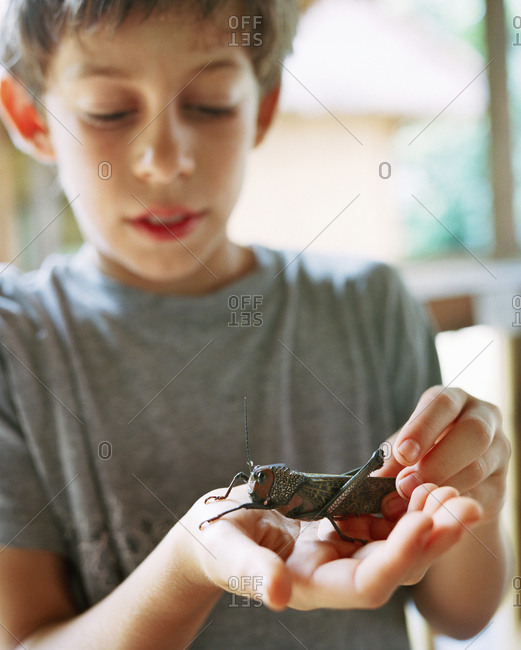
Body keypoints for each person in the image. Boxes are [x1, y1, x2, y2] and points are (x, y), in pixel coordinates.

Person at [0, 1, 511, 648]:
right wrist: (186, 568)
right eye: (108, 111)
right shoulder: (14, 343)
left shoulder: (369, 308)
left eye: (210, 103)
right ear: (29, 117)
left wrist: (475, 502)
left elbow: (462, 614)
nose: (163, 159)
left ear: (262, 108)